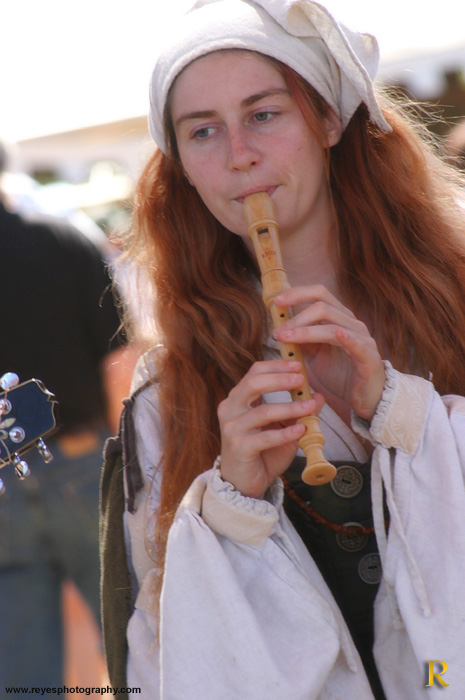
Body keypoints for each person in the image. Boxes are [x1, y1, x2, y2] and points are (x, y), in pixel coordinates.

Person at [100, 1, 465, 698]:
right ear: (183, 167)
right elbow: (166, 656)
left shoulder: (453, 298)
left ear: (327, 120)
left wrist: (400, 411)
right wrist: (230, 505)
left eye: (264, 114)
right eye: (203, 131)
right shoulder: (168, 396)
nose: (239, 156)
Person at [0, 142, 132, 694]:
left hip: (4, 481)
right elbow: (119, 361)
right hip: (81, 462)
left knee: (20, 671)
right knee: (136, 640)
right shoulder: (63, 240)